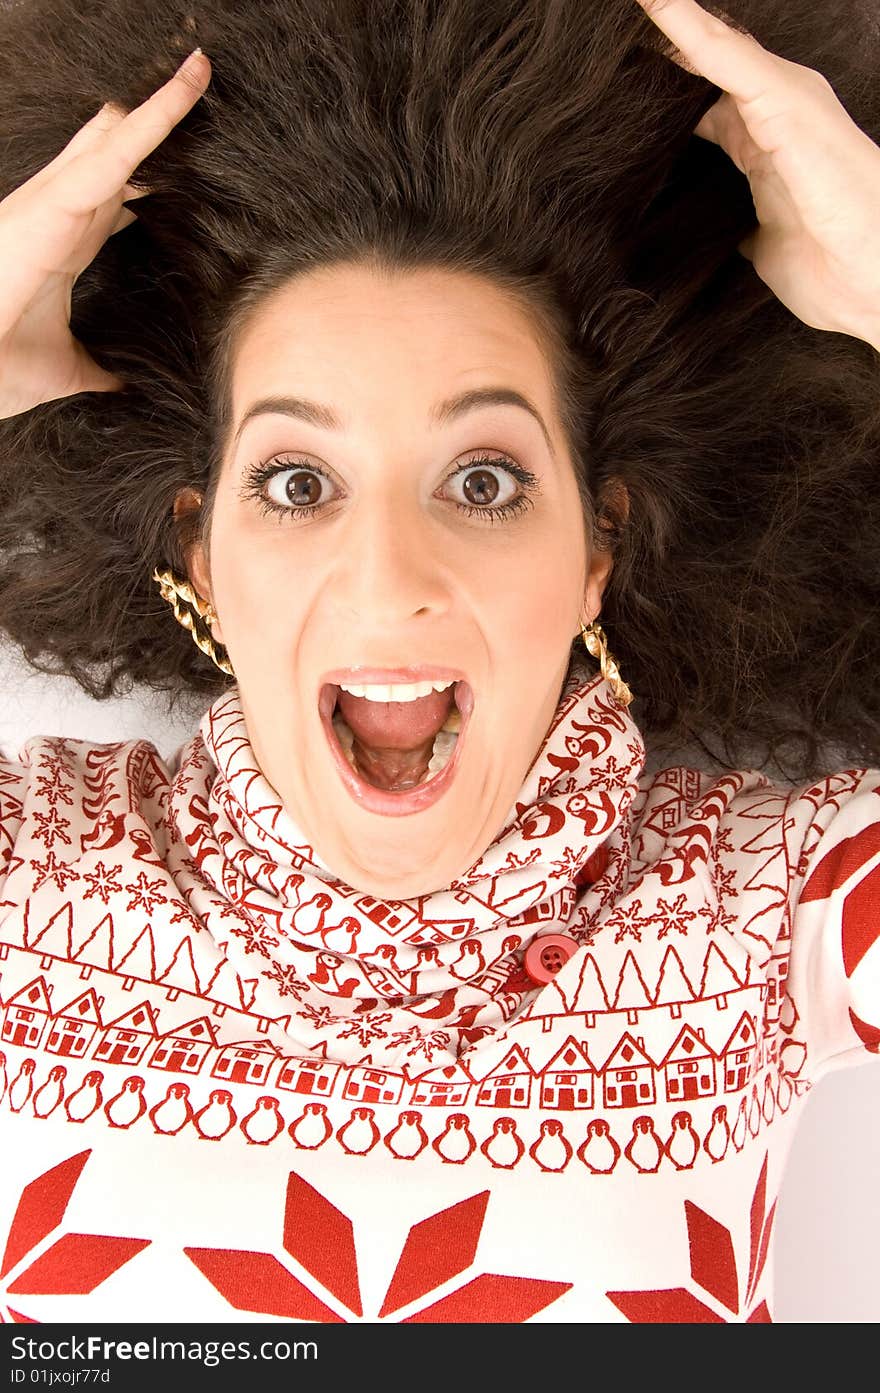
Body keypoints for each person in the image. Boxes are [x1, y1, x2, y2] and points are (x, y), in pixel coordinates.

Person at [0, 0, 878, 1325]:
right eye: (298, 480)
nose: (389, 578)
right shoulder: (29, 873)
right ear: (204, 563)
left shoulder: (768, 923)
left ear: (598, 547)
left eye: (482, 477)